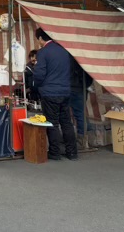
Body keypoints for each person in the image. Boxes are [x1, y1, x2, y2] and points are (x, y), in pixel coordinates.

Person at [33, 27, 78, 161]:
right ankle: (72, 152)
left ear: (41, 39)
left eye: (38, 40)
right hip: (65, 91)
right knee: (66, 122)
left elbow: (39, 74)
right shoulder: (64, 50)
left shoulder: (43, 52)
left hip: (50, 92)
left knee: (52, 123)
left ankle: (55, 153)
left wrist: (37, 85)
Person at [70, 53, 94, 149]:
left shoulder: (68, 57)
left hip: (70, 88)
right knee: (81, 114)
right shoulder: (83, 58)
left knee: (67, 115)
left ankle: (79, 140)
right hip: (80, 88)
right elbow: (89, 76)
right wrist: (85, 85)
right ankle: (85, 139)